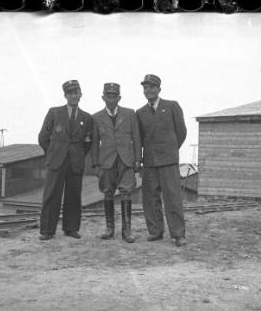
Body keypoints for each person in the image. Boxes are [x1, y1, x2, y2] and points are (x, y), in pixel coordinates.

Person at [136, 74, 187, 247]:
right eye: (145, 88)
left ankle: (178, 234)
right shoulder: (140, 112)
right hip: (150, 162)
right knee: (150, 199)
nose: (148, 90)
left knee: (172, 197)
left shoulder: (171, 106)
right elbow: (140, 138)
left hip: (168, 161)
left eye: (151, 87)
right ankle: (155, 231)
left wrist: (170, 150)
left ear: (159, 89)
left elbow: (181, 132)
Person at [38, 80, 93, 240]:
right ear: (65, 95)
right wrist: (53, 153)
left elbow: (88, 142)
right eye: (70, 93)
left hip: (75, 162)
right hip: (56, 161)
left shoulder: (87, 118)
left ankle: (71, 229)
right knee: (51, 194)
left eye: (76, 92)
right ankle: (47, 230)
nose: (74, 96)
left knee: (74, 195)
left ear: (81, 94)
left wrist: (79, 155)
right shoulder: (54, 113)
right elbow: (43, 136)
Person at [91, 83, 142, 243]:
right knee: (108, 192)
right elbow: (94, 143)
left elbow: (137, 137)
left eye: (114, 96)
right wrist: (95, 164)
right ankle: (109, 228)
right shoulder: (96, 117)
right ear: (103, 97)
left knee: (126, 192)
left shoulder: (129, 114)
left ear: (119, 98)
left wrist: (138, 159)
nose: (111, 99)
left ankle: (127, 231)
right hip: (106, 161)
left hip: (126, 160)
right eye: (108, 96)